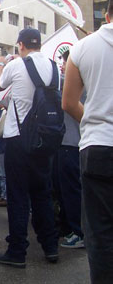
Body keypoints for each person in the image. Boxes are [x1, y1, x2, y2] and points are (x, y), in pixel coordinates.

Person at [0, 28, 59, 268]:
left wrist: (0, 64)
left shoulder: (16, 65)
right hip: (45, 138)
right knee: (42, 193)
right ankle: (50, 246)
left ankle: (17, 250)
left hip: (18, 139)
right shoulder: (54, 68)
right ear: (39, 44)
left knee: (18, 196)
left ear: (20, 45)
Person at [62, 0, 113, 283]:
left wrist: (94, 122)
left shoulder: (81, 48)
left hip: (98, 147)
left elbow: (69, 103)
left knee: (100, 234)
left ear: (106, 15)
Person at [55, 50, 84, 248]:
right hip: (69, 143)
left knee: (72, 190)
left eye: (66, 63)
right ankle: (67, 226)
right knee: (65, 189)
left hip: (71, 143)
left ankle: (78, 232)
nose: (63, 67)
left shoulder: (75, 82)